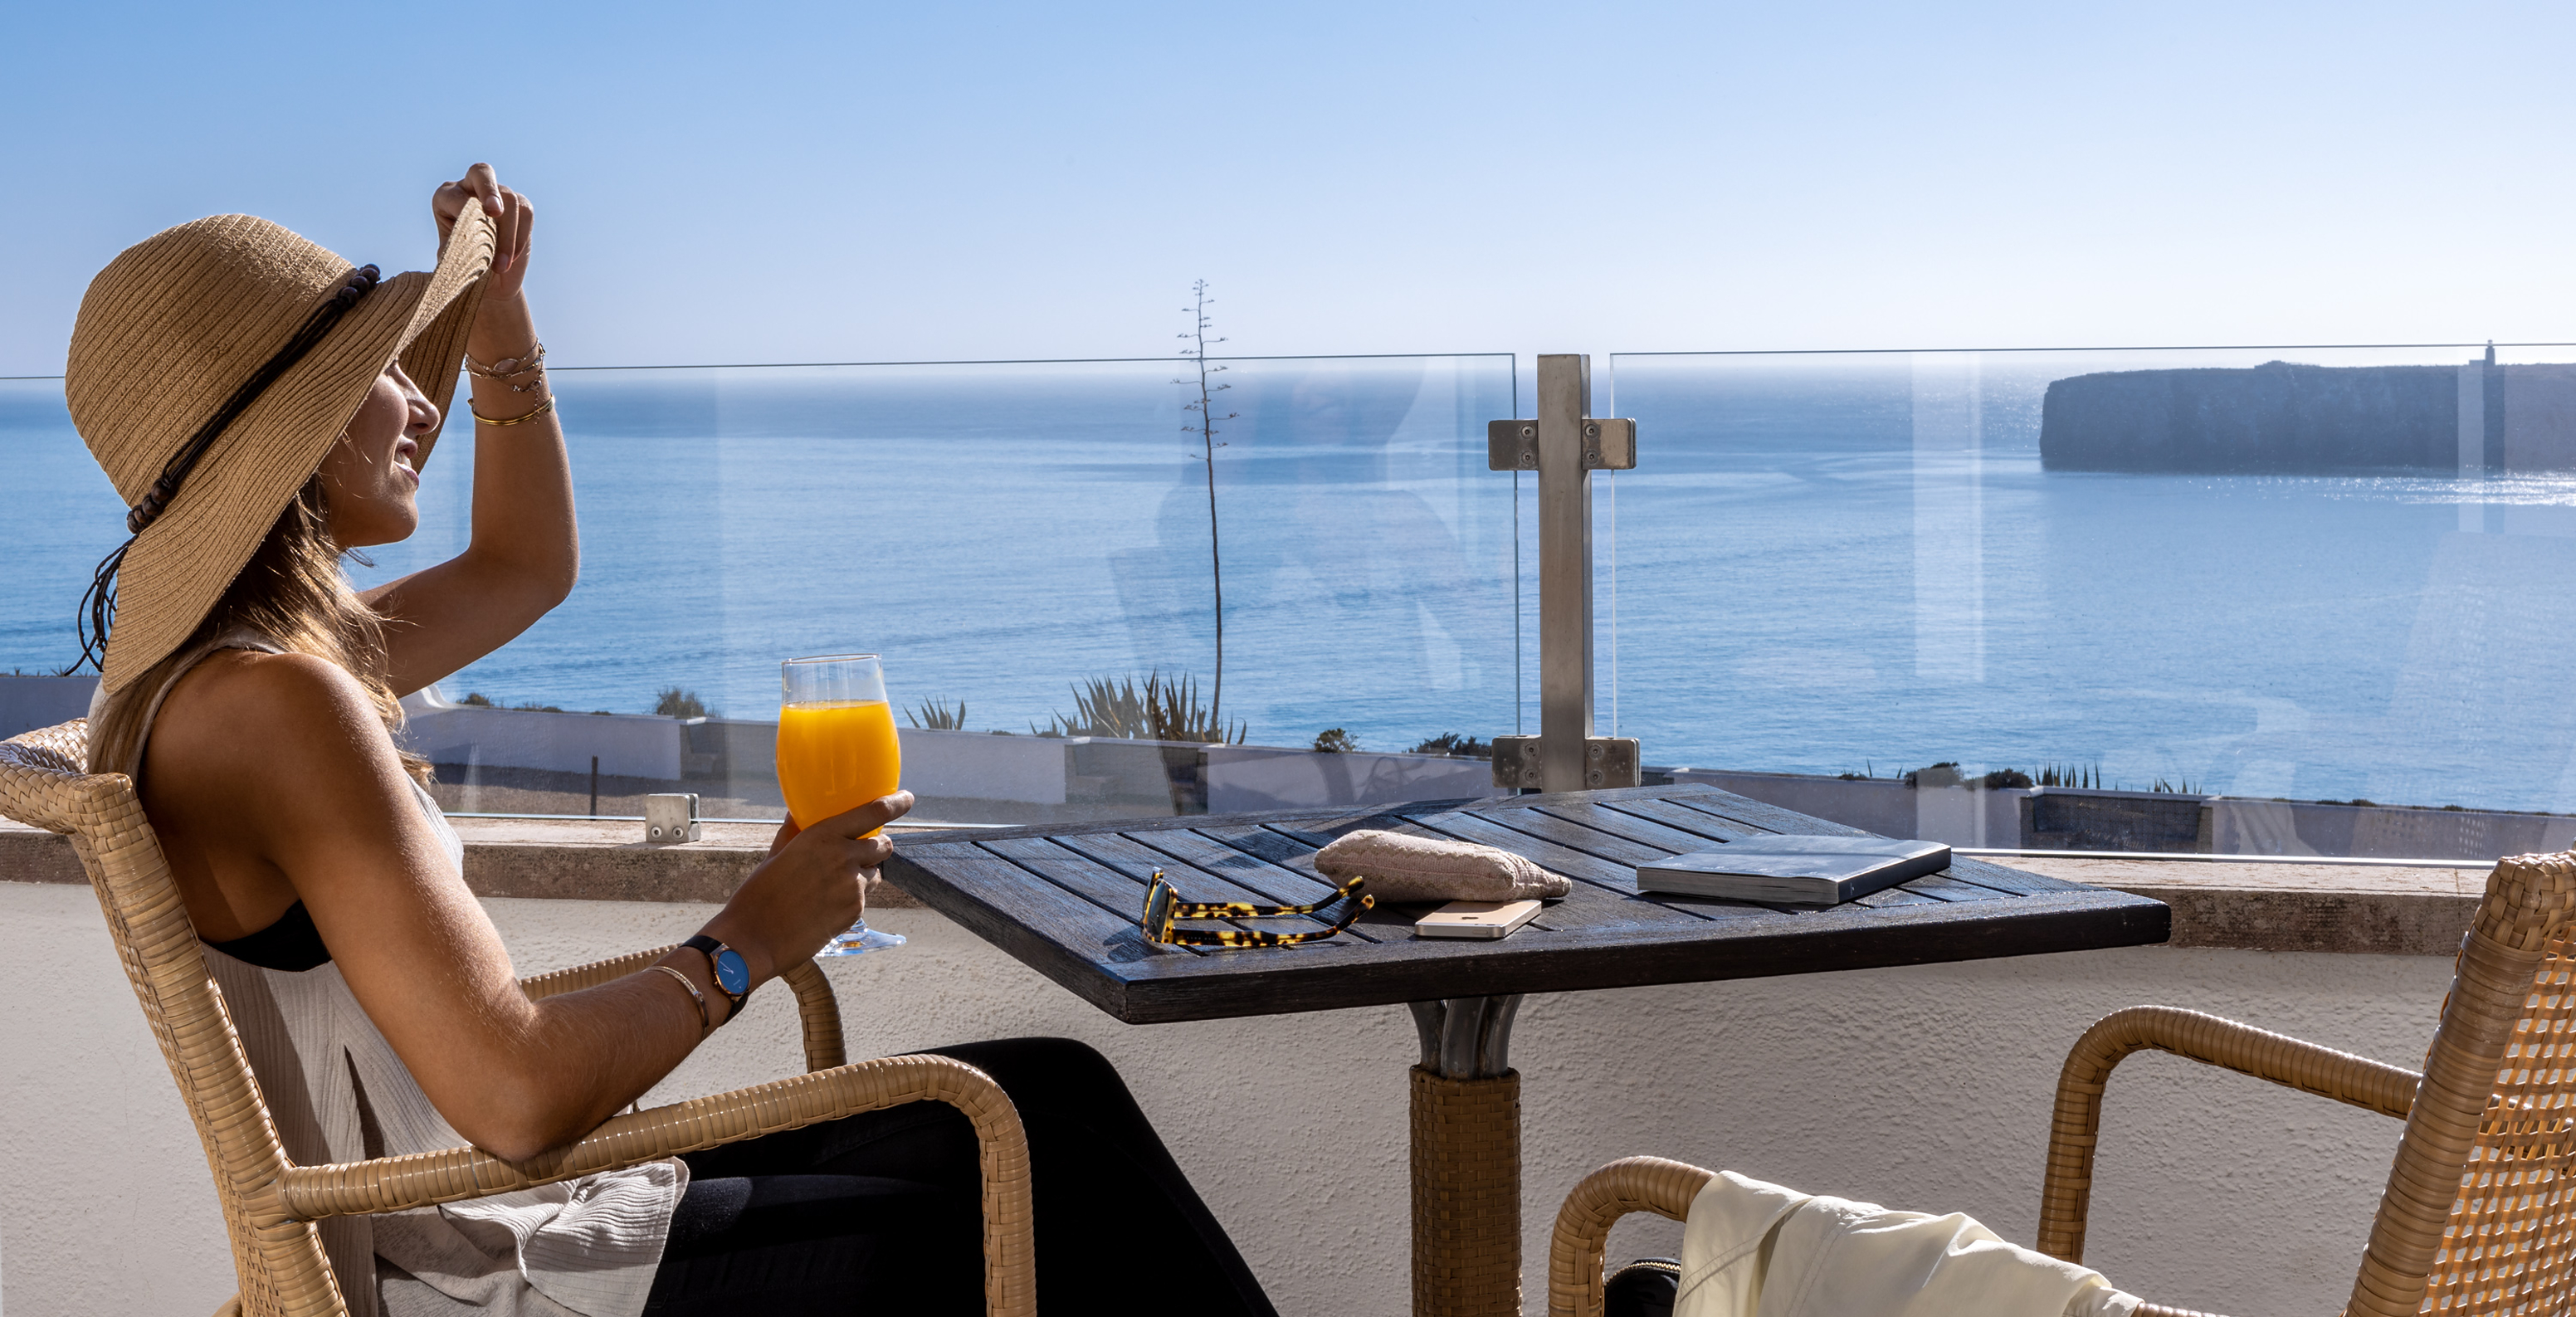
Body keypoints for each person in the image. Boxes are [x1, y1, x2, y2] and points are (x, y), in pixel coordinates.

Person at [65, 165, 1277, 1317]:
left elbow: (521, 567)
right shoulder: (281, 709)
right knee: (1050, 1189)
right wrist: (752, 937)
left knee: (1052, 1096)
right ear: (300, 423)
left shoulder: (234, 682)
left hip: (511, 1223)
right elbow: (519, 1097)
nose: (420, 399)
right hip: (475, 1274)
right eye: (385, 367)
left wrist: (497, 322)